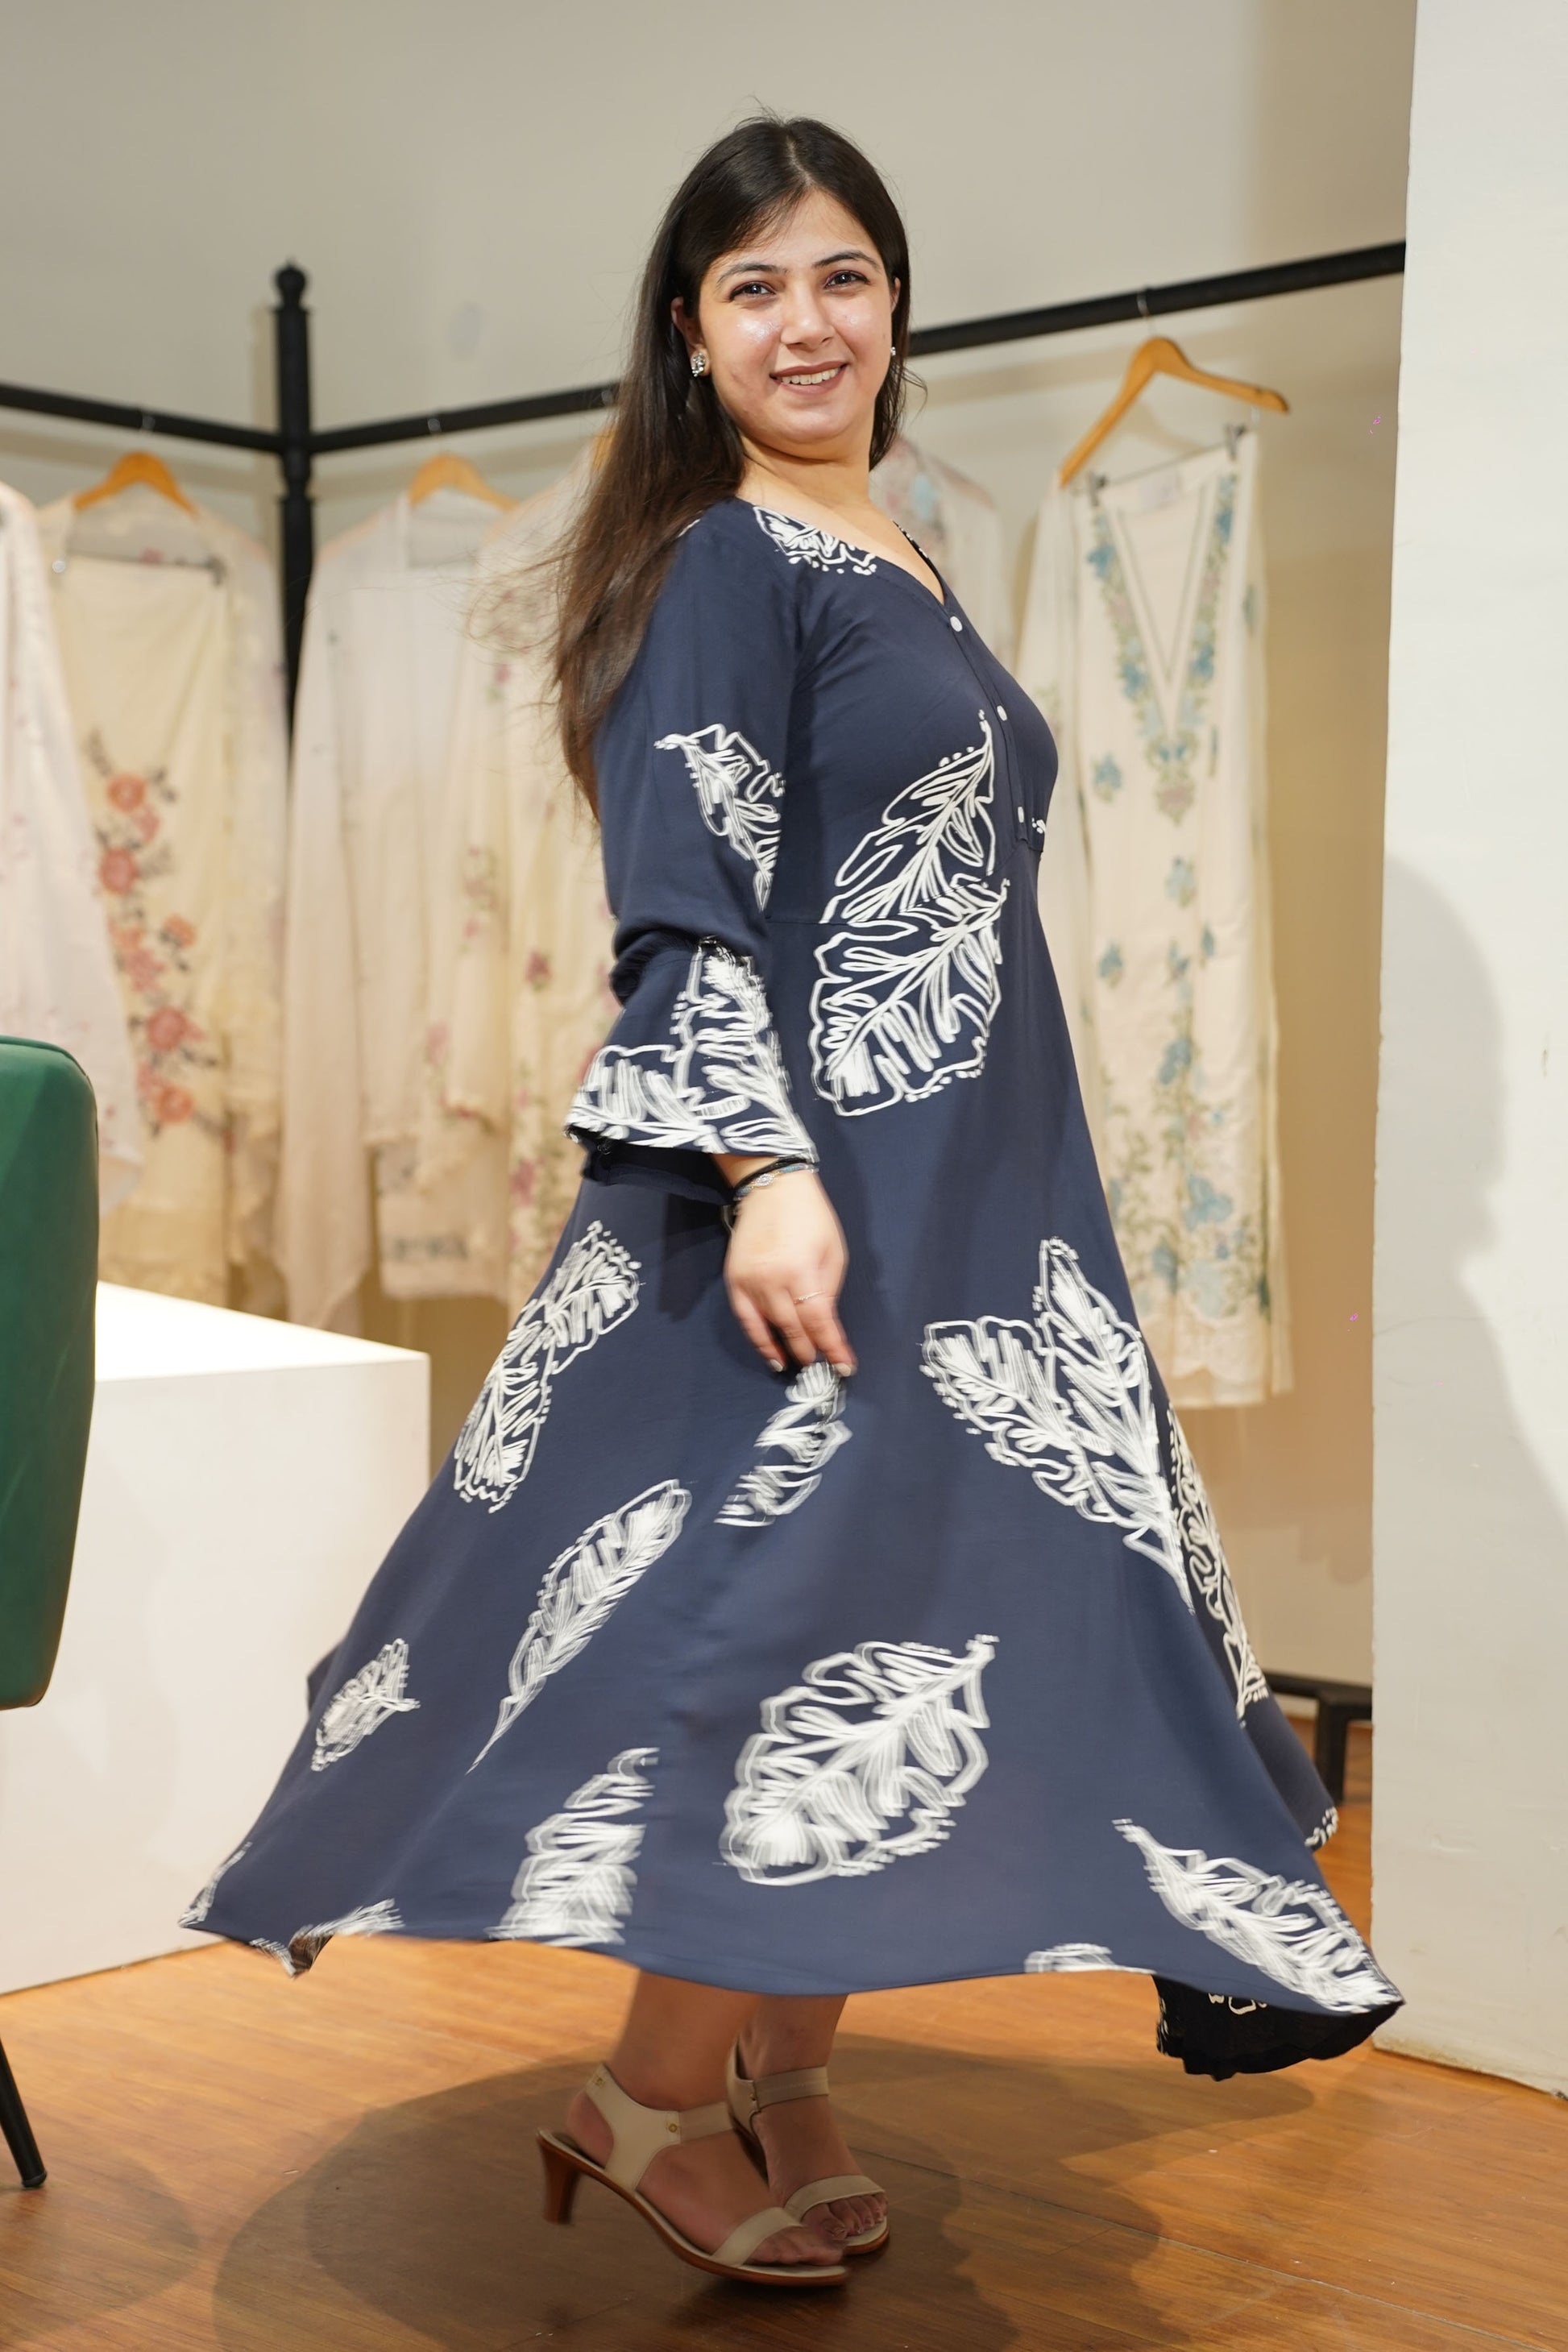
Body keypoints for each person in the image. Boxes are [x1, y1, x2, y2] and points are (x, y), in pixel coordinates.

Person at [193, 115, 1399, 2292]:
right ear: (690, 334)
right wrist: (759, 1172)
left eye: (840, 275)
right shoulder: (725, 561)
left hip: (973, 1192)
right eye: (753, 287)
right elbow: (683, 889)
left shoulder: (897, 549)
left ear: (897, 301)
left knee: (903, 1615)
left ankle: (782, 2077)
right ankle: (647, 2096)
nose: (805, 321)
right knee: (779, 1628)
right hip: (822, 1195)